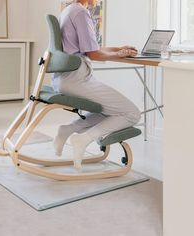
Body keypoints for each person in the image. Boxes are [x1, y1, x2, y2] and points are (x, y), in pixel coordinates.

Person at [52, 0, 141, 169]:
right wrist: (119, 56)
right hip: (76, 79)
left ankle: (68, 129)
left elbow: (90, 49)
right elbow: (93, 54)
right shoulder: (80, 12)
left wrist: (117, 49)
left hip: (65, 78)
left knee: (110, 110)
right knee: (132, 113)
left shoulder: (69, 10)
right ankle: (83, 139)